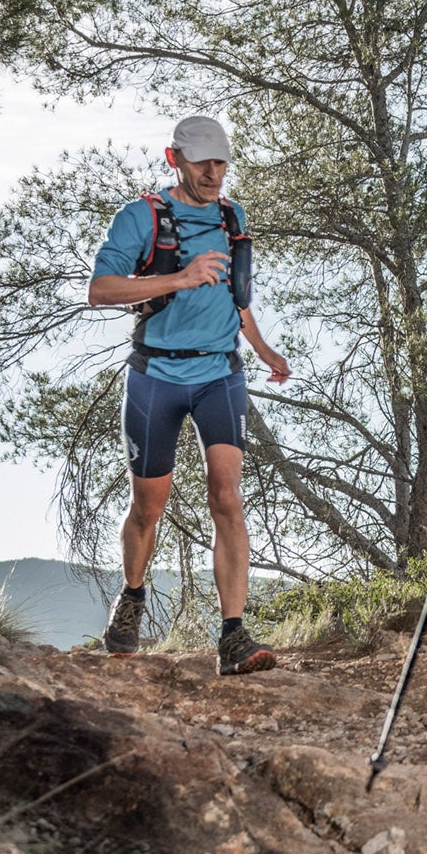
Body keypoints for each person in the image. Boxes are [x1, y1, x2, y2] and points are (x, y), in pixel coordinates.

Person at [87, 115, 290, 674]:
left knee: (226, 495)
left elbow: (236, 294)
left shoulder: (233, 217)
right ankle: (130, 599)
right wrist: (179, 277)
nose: (213, 173)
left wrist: (264, 349)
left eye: (221, 162)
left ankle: (233, 635)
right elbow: (99, 291)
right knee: (148, 509)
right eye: (202, 162)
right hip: (157, 376)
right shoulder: (142, 218)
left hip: (219, 375)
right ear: (175, 159)